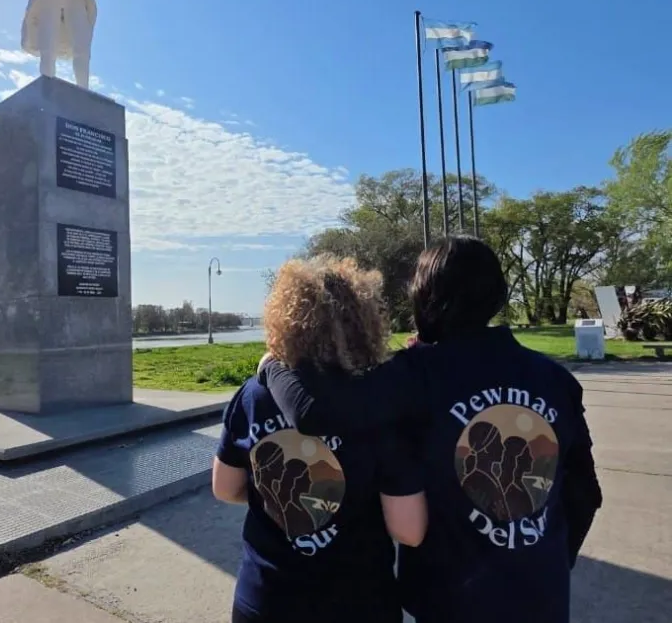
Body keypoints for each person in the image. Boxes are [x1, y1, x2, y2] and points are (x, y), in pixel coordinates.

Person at [259, 236, 603, 623]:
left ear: (425, 298)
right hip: (542, 597)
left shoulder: (414, 374)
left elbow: (312, 412)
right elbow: (585, 492)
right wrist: (550, 563)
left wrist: (272, 365)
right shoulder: (555, 379)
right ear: (497, 296)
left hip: (449, 601)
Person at [212, 255, 427, 623]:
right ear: (365, 323)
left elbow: (225, 487)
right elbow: (409, 531)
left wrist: (279, 497)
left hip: (265, 599)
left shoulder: (254, 394)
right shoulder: (379, 403)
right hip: (359, 604)